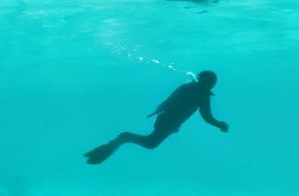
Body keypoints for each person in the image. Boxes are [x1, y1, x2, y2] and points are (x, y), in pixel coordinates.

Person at [84, 70, 228, 164]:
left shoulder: (187, 86)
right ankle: (123, 138)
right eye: (213, 82)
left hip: (165, 118)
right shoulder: (202, 94)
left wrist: (159, 112)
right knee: (150, 144)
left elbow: (170, 100)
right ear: (207, 82)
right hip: (169, 121)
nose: (214, 84)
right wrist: (220, 124)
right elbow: (207, 116)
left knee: (150, 143)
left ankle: (115, 144)